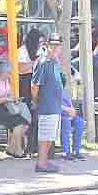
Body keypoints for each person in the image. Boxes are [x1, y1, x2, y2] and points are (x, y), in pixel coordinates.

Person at [30, 35, 65, 173]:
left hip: (54, 105)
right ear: (47, 45)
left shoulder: (54, 61)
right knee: (45, 137)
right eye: (53, 45)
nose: (55, 48)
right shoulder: (43, 62)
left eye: (58, 45)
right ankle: (41, 164)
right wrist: (36, 101)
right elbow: (34, 86)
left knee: (49, 136)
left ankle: (44, 162)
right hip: (47, 105)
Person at [0, 59, 29, 158]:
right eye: (8, 73)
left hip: (5, 108)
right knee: (19, 124)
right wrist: (6, 99)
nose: (9, 75)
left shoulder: (5, 81)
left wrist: (14, 99)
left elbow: (8, 94)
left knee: (24, 124)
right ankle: (17, 150)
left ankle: (11, 148)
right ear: (2, 72)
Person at [59, 77, 86, 161]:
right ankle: (65, 152)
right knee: (65, 122)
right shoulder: (52, 92)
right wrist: (67, 110)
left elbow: (70, 105)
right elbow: (54, 105)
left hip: (68, 115)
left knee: (80, 121)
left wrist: (72, 113)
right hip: (59, 116)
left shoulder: (64, 92)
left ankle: (76, 151)